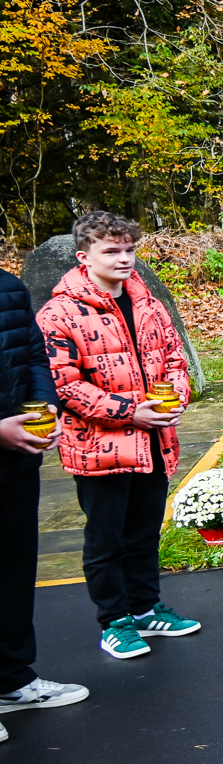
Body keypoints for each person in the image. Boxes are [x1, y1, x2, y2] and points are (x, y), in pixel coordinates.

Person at [37, 212, 202, 658]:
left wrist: (176, 401)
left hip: (155, 440)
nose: (124, 258)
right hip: (99, 447)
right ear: (84, 256)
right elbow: (64, 383)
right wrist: (131, 413)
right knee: (105, 539)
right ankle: (114, 622)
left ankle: (147, 609)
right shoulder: (59, 312)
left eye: (130, 249)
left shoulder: (148, 301)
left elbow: (174, 357)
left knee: (145, 532)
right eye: (111, 251)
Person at [0, 265, 86, 736]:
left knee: (13, 573)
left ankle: (12, 681)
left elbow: (34, 356)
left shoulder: (8, 288)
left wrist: (43, 405)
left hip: (15, 463)